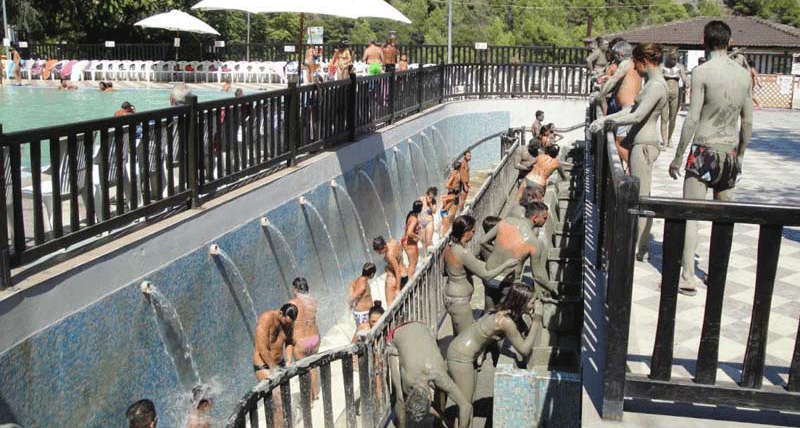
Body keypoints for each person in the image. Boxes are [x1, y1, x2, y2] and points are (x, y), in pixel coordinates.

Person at [668, 20, 753, 295]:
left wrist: (678, 156)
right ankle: (716, 274)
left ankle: (688, 276)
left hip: (704, 150)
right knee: (723, 218)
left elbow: (692, 118)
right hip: (729, 153)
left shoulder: (701, 72)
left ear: (705, 41)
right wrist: (740, 155)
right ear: (729, 42)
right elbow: (747, 122)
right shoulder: (744, 75)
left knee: (692, 215)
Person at [591, 43, 668, 263]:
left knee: (641, 198)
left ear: (645, 61)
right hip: (639, 142)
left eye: (636, 63)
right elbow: (633, 111)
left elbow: (636, 116)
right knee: (639, 196)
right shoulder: (651, 83)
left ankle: (639, 247)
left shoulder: (657, 85)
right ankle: (638, 243)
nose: (635, 68)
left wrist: (606, 120)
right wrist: (608, 119)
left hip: (644, 144)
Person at [446, 284, 539, 404]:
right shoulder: (505, 321)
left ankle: (441, 410)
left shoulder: (502, 311)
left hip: (460, 347)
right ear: (522, 302)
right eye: (532, 302)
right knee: (466, 406)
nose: (535, 305)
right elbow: (524, 350)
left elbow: (520, 331)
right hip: (461, 355)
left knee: (466, 401)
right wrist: (536, 322)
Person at [443, 215, 518, 335]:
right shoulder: (463, 253)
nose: (474, 235)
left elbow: (445, 272)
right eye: (473, 231)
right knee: (467, 336)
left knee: (457, 335)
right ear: (466, 232)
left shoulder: (448, 247)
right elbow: (486, 275)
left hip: (450, 295)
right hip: (459, 301)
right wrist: (506, 265)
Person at [389, 322, 472, 428]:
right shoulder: (409, 380)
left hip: (421, 330)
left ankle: (440, 417)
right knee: (400, 397)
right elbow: (465, 405)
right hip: (400, 334)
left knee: (402, 398)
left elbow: (466, 407)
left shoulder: (438, 373)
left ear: (429, 397)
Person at [483, 202, 554, 299]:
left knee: (489, 306)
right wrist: (552, 289)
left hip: (489, 275)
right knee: (507, 307)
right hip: (507, 281)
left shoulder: (505, 222)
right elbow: (538, 276)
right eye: (544, 218)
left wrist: (496, 250)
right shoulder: (533, 242)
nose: (545, 221)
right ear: (535, 218)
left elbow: (483, 241)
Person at [591, 39, 641, 169]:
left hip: (627, 109)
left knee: (618, 144)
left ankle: (634, 169)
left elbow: (614, 80)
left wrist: (600, 95)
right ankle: (629, 169)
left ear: (620, 54)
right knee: (624, 142)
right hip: (631, 108)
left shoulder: (626, 64)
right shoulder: (635, 64)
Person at [287, 277, 321, 400]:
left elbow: (287, 324)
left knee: (304, 371)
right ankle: (315, 394)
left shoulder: (292, 303)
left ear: (294, 288)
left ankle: (308, 400)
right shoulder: (313, 301)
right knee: (313, 367)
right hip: (315, 339)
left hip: (302, 342)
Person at [253, 302, 298, 381]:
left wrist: (289, 361)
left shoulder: (288, 323)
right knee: (277, 389)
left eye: (290, 323)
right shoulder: (266, 319)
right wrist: (273, 367)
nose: (288, 325)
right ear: (281, 313)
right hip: (264, 365)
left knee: (286, 388)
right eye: (286, 322)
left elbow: (289, 342)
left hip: (280, 363)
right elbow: (261, 347)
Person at [661, 48, 690, 146]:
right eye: (671, 59)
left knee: (672, 118)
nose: (672, 61)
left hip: (675, 94)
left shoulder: (680, 67)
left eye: (674, 59)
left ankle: (669, 138)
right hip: (664, 94)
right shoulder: (662, 66)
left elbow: (684, 78)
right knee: (664, 118)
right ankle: (664, 140)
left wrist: (687, 83)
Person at [373, 236, 408, 306]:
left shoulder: (389, 255)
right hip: (405, 274)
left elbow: (397, 271)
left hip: (397, 278)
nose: (379, 254)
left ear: (384, 247)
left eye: (380, 252)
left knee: (390, 304)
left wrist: (397, 289)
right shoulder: (392, 241)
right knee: (404, 301)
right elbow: (400, 250)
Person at [350, 262, 377, 329]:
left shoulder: (356, 281)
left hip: (359, 313)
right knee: (364, 330)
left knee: (361, 329)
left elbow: (351, 292)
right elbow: (353, 297)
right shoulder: (363, 285)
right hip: (363, 313)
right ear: (372, 274)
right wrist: (350, 303)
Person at [403, 200, 423, 276]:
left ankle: (410, 278)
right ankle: (410, 280)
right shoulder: (414, 219)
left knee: (413, 262)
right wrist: (418, 237)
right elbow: (409, 232)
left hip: (407, 241)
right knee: (412, 264)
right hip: (409, 242)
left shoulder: (411, 215)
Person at [419, 187, 438, 252]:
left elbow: (434, 211)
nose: (430, 198)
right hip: (421, 223)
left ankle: (432, 252)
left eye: (432, 197)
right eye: (429, 197)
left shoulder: (433, 202)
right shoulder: (421, 200)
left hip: (429, 222)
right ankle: (425, 255)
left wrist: (430, 204)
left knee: (428, 240)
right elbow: (416, 210)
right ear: (426, 195)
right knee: (423, 241)